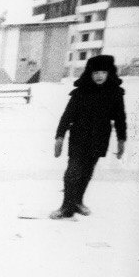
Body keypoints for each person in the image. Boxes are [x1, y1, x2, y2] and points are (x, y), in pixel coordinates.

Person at [50, 54, 127, 219]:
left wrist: (121, 140)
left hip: (99, 139)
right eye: (95, 73)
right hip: (79, 138)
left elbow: (120, 118)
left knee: (86, 172)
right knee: (72, 172)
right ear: (90, 74)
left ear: (109, 74)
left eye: (103, 72)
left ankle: (77, 201)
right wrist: (60, 136)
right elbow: (67, 115)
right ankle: (66, 207)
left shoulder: (115, 94)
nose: (99, 76)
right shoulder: (80, 93)